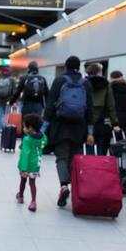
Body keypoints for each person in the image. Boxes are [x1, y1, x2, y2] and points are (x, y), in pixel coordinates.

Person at [41, 56, 94, 207]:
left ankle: (64, 186)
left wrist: (43, 128)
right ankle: (76, 187)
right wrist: (90, 132)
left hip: (60, 126)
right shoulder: (86, 83)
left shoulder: (59, 81)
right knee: (75, 159)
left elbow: (50, 105)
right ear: (79, 67)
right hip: (79, 127)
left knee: (61, 157)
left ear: (66, 67)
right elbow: (90, 109)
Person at [10, 60, 49, 146]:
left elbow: (18, 92)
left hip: (27, 105)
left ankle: (24, 143)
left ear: (29, 68)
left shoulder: (24, 78)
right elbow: (47, 94)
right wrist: (47, 106)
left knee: (26, 125)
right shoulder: (42, 79)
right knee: (36, 124)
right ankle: (35, 142)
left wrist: (11, 102)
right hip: (38, 106)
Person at [86, 63, 121, 155]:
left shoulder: (84, 83)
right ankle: (99, 166)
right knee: (101, 147)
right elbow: (111, 105)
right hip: (102, 122)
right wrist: (115, 123)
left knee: (87, 146)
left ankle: (88, 166)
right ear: (99, 72)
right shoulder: (106, 85)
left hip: (86, 121)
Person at [16, 114, 47, 212]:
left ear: (30, 128)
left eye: (25, 126)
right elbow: (42, 145)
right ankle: (33, 202)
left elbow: (25, 154)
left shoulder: (27, 139)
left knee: (23, 181)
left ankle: (20, 197)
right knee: (32, 183)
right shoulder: (43, 138)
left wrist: (23, 168)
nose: (24, 128)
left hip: (26, 166)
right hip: (35, 165)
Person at [0, 68, 16, 133]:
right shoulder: (12, 79)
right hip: (8, 100)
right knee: (6, 115)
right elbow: (14, 91)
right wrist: (14, 100)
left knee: (0, 115)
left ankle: (1, 129)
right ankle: (5, 128)